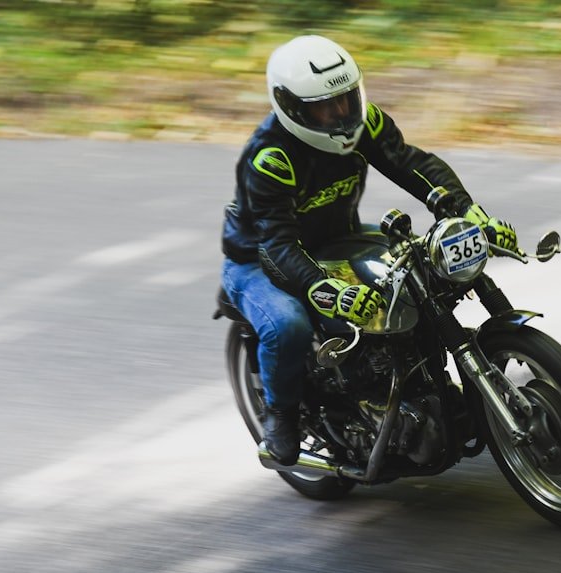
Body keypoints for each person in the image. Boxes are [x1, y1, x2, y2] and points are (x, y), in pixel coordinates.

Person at [221, 34, 519, 466]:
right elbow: (278, 245)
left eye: (347, 100)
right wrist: (327, 291)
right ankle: (280, 416)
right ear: (292, 108)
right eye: (325, 108)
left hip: (338, 236)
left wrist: (470, 213)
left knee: (424, 273)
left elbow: (412, 164)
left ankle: (425, 384)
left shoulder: (367, 122)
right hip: (260, 259)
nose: (341, 115)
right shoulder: (271, 157)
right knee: (289, 326)